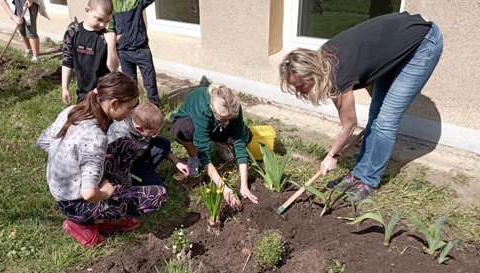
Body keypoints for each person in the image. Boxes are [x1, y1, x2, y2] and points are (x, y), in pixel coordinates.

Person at [279, 11, 443, 202]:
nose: (299, 92)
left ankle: (369, 181)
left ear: (312, 74)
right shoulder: (324, 60)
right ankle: (358, 175)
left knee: (386, 122)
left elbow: (349, 124)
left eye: (300, 86)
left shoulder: (336, 74)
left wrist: (332, 155)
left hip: (423, 42)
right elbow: (366, 69)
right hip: (398, 41)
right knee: (377, 117)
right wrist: (379, 108)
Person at [37, 72, 168, 248]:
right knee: (158, 195)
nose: (132, 112)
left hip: (63, 192)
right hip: (78, 205)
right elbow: (89, 194)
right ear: (114, 104)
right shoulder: (95, 138)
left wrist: (74, 159)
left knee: (125, 146)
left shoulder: (71, 111)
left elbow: (43, 141)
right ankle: (86, 223)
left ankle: (111, 209)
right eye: (130, 107)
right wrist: (105, 193)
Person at [170, 84, 259, 209]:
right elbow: (204, 153)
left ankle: (218, 142)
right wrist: (224, 188)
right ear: (212, 108)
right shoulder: (203, 108)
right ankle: (193, 157)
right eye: (223, 119)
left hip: (214, 126)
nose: (227, 122)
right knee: (187, 129)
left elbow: (240, 141)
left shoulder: (233, 107)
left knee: (246, 136)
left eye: (230, 118)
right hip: (189, 123)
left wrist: (244, 185)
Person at [107, 102, 189, 187]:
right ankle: (140, 180)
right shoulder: (121, 137)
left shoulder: (140, 120)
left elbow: (161, 146)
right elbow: (120, 168)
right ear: (139, 128)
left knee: (163, 143)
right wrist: (128, 187)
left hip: (137, 156)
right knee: (159, 187)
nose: (155, 135)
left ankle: (147, 173)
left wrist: (177, 162)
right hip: (125, 168)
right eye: (153, 133)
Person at [61, 0, 119, 105]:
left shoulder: (106, 37)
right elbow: (67, 61)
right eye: (99, 19)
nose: (102, 24)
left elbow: (113, 69)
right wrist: (65, 87)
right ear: (87, 10)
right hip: (82, 94)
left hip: (104, 95)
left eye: (107, 21)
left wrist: (112, 45)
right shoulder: (72, 32)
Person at [110, 0, 159, 106]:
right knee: (130, 84)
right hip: (124, 52)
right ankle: (133, 108)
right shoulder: (112, 4)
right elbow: (110, 29)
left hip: (141, 49)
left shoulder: (137, 2)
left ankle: (155, 106)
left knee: (150, 82)